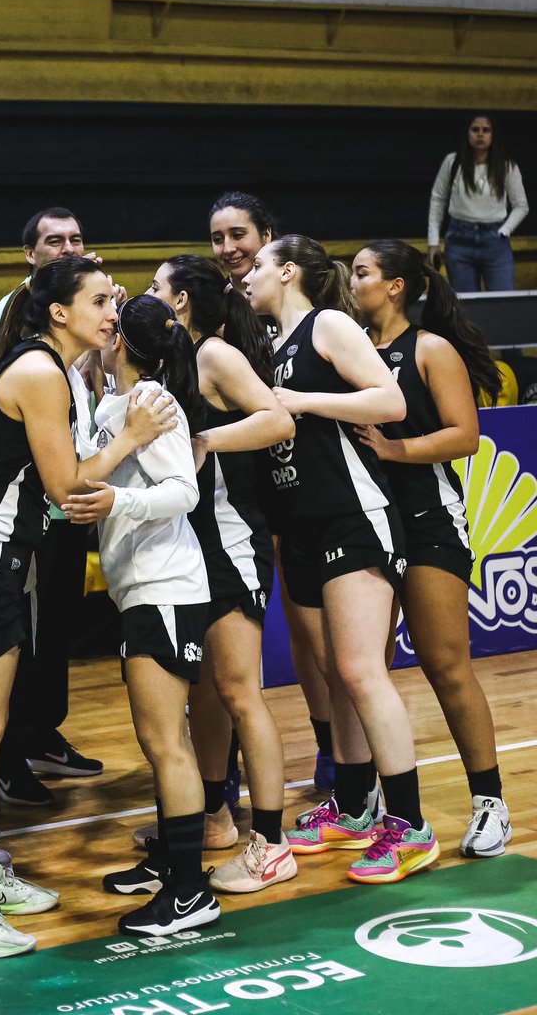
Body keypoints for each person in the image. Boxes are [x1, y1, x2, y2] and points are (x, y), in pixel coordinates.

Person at [0, 258, 176, 958]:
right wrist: (133, 439)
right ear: (58, 311)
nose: (113, 311)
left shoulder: (48, 370)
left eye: (115, 300)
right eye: (98, 300)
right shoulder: (38, 373)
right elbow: (67, 489)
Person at [246, 234, 440, 885]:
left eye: (257, 266)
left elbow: (391, 401)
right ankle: (355, 807)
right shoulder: (270, 346)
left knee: (361, 670)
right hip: (302, 524)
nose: (246, 276)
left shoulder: (327, 324)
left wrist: (305, 402)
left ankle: (410, 826)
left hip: (355, 515)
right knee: (336, 675)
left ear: (290, 271)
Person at [63, 295, 222, 935]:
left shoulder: (154, 401)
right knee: (160, 743)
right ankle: (172, 870)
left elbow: (184, 490)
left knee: (165, 743)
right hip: (142, 588)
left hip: (168, 588)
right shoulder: (116, 402)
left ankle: (189, 895)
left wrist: (115, 502)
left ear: (121, 343)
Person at [351, 239, 511, 857]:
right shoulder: (352, 349)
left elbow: (465, 436)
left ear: (395, 286)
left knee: (445, 664)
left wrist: (395, 451)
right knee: (363, 671)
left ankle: (491, 802)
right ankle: (365, 801)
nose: (353, 281)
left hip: (427, 520)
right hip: (365, 520)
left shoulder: (430, 349)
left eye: (362, 273)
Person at [148, 257, 298, 894]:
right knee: (203, 692)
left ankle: (272, 842)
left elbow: (276, 419)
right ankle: (213, 817)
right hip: (192, 545)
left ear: (181, 301)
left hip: (231, 539)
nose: (151, 295)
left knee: (238, 691)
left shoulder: (216, 355)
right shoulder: (176, 360)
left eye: (158, 288)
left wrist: (209, 441)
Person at [211, 193, 335, 794]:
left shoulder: (301, 309)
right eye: (218, 238)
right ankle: (223, 775)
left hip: (305, 487)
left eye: (240, 235)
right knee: (233, 652)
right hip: (242, 489)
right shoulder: (213, 307)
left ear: (268, 237)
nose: (229, 248)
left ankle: (336, 753)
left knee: (317, 640)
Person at [0, 207, 104, 805]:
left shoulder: (92, 315)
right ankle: (8, 753)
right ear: (28, 255)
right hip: (30, 506)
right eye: (52, 241)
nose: (65, 248)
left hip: (69, 503)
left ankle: (40, 734)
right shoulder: (15, 320)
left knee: (56, 629)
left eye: (75, 239)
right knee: (24, 637)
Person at [427, 113, 529, 293]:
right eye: (475, 129)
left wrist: (505, 231)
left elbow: (521, 205)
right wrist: (433, 242)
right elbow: (438, 199)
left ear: (493, 135)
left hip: (495, 242)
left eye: (486, 130)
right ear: (467, 133)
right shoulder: (453, 162)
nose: (480, 134)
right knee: (466, 307)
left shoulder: (506, 166)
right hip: (459, 240)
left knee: (502, 302)